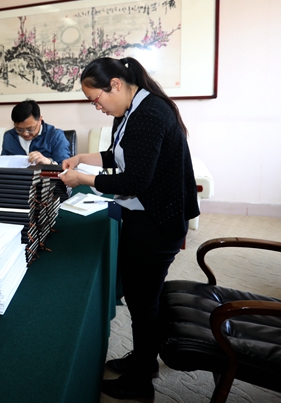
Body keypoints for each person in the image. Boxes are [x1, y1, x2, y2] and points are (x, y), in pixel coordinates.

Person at [59, 57, 199, 401]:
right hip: (143, 216)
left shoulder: (149, 114)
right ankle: (142, 359)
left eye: (96, 99)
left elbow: (135, 180)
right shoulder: (130, 111)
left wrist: (82, 179)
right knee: (140, 298)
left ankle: (141, 380)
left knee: (143, 302)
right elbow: (117, 155)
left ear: (116, 85)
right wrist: (82, 158)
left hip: (157, 222)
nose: (97, 107)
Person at [1, 99, 71, 165]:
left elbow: (65, 166)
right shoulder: (9, 136)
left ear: (40, 120)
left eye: (30, 129)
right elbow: (3, 164)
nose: (25, 134)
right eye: (19, 130)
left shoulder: (55, 136)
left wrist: (49, 162)